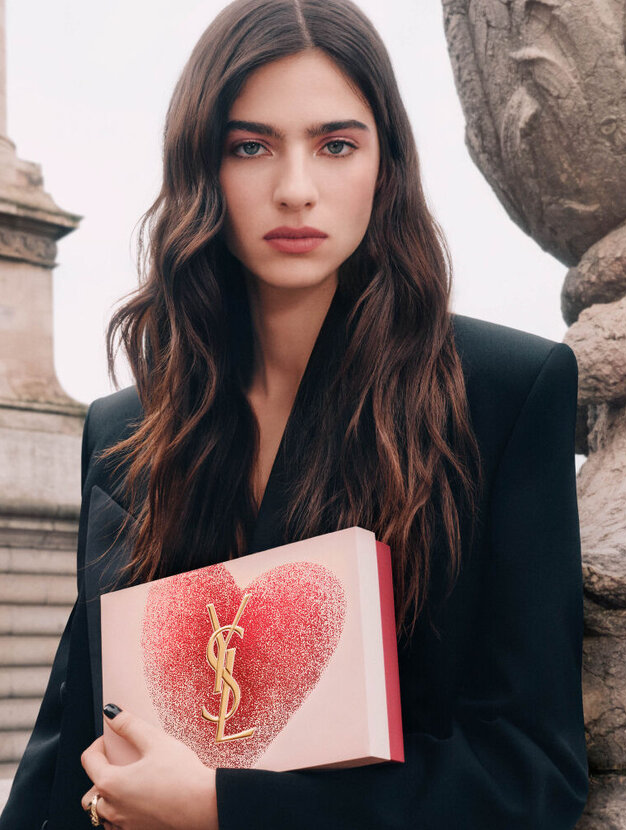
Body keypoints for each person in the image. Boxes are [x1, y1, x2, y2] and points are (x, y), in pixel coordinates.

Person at [0, 0, 590, 827]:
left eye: (336, 144)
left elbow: (532, 775)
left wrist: (223, 806)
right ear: (202, 169)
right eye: (251, 146)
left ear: (386, 166)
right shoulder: (124, 431)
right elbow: (66, 751)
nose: (296, 190)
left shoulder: (504, 392)